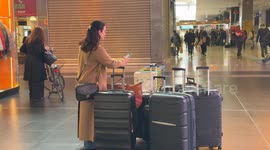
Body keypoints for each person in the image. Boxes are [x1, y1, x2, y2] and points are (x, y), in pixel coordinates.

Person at [76, 20, 129, 150]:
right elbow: (110, 62)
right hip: (93, 87)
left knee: (86, 116)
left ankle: (88, 142)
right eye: (104, 31)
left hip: (84, 85)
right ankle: (90, 144)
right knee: (91, 117)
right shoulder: (96, 49)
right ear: (99, 32)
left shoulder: (84, 46)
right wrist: (124, 61)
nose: (105, 34)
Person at [19, 27, 47, 104]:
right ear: (40, 33)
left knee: (31, 79)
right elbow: (39, 52)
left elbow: (21, 49)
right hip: (37, 62)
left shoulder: (28, 40)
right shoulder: (38, 40)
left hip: (28, 61)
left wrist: (29, 53)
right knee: (38, 79)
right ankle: (38, 96)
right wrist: (45, 50)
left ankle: (32, 95)